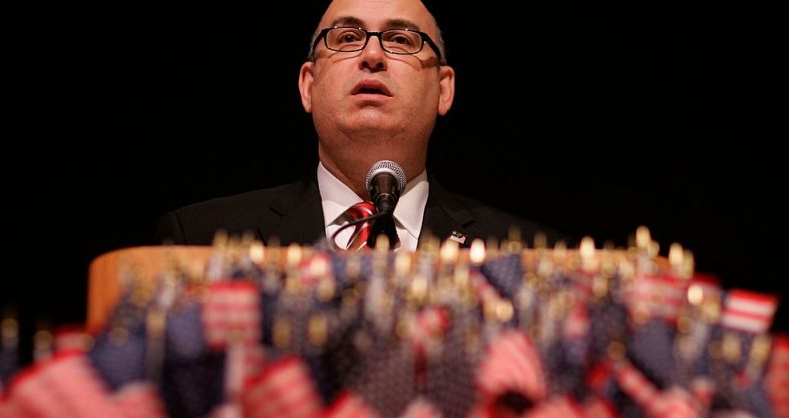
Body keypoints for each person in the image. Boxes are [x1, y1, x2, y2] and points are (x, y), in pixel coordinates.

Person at [155, 0, 553, 250]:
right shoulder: (201, 237)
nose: (373, 54)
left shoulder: (530, 253)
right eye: (347, 38)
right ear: (308, 86)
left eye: (401, 39)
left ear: (443, 89)